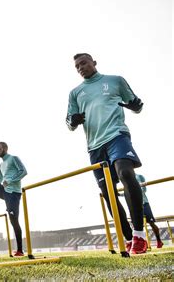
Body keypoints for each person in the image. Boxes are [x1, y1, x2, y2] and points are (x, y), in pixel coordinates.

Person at [66, 53, 146, 254]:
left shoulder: (115, 81)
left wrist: (136, 106)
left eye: (83, 63)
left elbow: (136, 105)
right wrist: (73, 121)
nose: (80, 68)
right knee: (108, 193)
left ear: (94, 62)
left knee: (126, 173)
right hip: (94, 146)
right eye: (77, 66)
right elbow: (69, 123)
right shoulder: (75, 93)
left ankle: (140, 235)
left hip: (117, 135)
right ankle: (129, 238)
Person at [135, 174, 163, 249]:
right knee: (137, 225)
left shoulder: (139, 176)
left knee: (151, 223)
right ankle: (143, 243)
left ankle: (159, 241)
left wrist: (136, 188)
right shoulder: (126, 178)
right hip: (134, 205)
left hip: (144, 203)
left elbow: (144, 190)